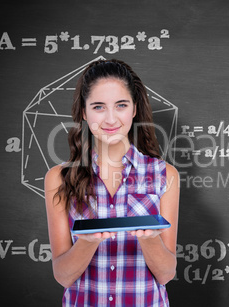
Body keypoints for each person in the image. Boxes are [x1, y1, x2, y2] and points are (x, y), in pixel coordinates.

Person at [44, 59, 180, 306]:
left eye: (121, 105)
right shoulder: (59, 178)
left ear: (134, 109)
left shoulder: (165, 175)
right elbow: (63, 276)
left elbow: (166, 273)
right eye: (98, 107)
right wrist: (87, 242)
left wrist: (149, 240)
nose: (110, 119)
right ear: (84, 112)